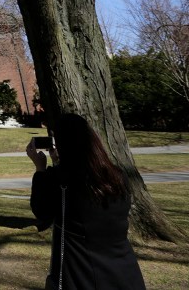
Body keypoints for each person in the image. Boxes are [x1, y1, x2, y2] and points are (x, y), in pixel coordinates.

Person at [27, 114, 145, 290]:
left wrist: (40, 169)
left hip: (81, 270)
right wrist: (58, 163)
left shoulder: (61, 180)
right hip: (123, 269)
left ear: (62, 144)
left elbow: (42, 212)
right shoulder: (117, 175)